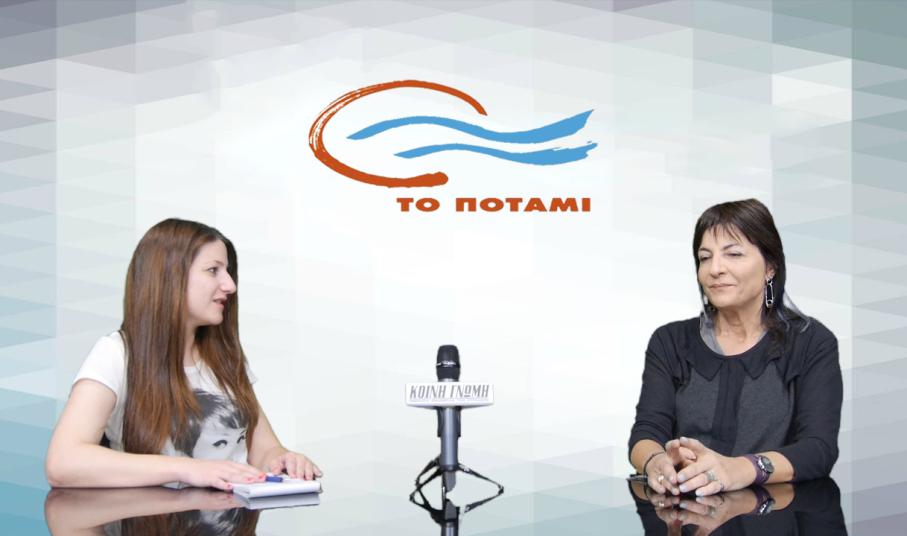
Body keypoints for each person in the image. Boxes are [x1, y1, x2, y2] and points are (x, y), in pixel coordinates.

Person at [46, 218, 321, 490]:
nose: (230, 285)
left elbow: (264, 449)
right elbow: (63, 462)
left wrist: (281, 458)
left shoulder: (225, 358)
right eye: (213, 270)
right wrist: (189, 469)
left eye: (227, 271)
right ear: (169, 276)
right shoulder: (116, 354)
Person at [628, 199, 842, 497]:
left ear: (770, 267)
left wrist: (738, 469)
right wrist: (656, 461)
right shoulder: (670, 341)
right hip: (684, 510)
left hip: (774, 513)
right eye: (705, 257)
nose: (715, 269)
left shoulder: (811, 342)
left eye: (734, 254)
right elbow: (646, 431)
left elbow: (818, 449)